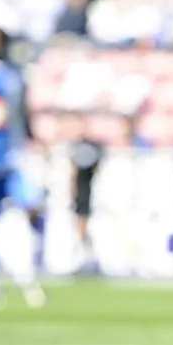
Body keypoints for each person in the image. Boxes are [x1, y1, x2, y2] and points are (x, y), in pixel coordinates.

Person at [0, 27, 45, 308]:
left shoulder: (8, 76)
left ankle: (3, 283)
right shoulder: (6, 77)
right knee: (18, 215)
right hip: (5, 158)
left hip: (3, 159)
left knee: (9, 217)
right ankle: (17, 281)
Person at [67, 112, 104, 274]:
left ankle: (86, 258)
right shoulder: (77, 146)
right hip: (83, 192)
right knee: (80, 224)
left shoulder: (90, 147)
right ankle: (84, 258)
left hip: (87, 192)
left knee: (83, 224)